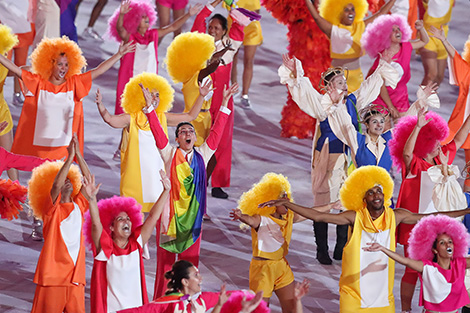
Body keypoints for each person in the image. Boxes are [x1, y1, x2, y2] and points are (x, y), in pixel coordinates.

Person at [259, 165, 470, 313]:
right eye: (371, 193)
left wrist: (467, 210)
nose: (376, 195)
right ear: (363, 198)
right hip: (353, 295)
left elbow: (430, 217)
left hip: (383, 298)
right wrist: (286, 204)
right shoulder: (354, 217)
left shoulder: (396, 216)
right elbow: (319, 216)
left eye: (379, 190)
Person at [278, 53, 398, 264]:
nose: (343, 86)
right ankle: (321, 248)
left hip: (350, 158)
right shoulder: (322, 102)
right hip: (329, 157)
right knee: (324, 201)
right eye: (338, 83)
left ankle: (341, 246)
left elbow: (370, 86)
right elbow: (304, 94)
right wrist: (296, 74)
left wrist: (382, 65)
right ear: (328, 88)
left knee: (348, 201)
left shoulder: (352, 101)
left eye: (344, 82)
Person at [141, 81, 237, 298]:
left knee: (191, 267)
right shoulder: (168, 153)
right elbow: (158, 134)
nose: (187, 132)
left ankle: (188, 304)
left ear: (195, 138)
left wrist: (223, 102)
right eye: (182, 131)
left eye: (190, 131)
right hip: (169, 222)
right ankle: (162, 304)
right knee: (165, 268)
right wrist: (150, 110)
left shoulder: (203, 154)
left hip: (193, 221)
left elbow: (217, 132)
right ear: (177, 139)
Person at [0, 36, 134, 160]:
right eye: (59, 64)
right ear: (51, 64)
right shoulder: (39, 82)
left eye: (66, 64)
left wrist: (119, 54)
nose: (63, 68)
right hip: (40, 148)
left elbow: (98, 70)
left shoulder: (74, 83)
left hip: (64, 149)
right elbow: (17, 70)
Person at [389, 108, 470, 312]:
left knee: (435, 270)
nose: (438, 144)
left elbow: (460, 139)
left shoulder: (441, 158)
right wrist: (417, 126)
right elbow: (406, 152)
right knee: (411, 270)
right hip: (415, 227)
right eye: (432, 140)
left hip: (438, 228)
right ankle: (406, 309)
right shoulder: (415, 164)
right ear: (421, 143)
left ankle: (431, 307)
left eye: (437, 139)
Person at [95, 73, 210, 212]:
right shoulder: (131, 119)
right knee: (135, 219)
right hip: (134, 179)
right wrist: (100, 105)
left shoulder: (162, 117)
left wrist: (201, 96)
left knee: (157, 220)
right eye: (151, 94)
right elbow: (109, 119)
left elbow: (191, 116)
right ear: (140, 96)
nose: (155, 98)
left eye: (157, 95)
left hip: (158, 179)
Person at [83, 169, 171, 313]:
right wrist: (92, 199)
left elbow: (152, 218)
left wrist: (166, 191)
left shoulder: (136, 243)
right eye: (120, 219)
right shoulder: (104, 248)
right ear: (111, 226)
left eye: (128, 219)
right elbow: (95, 224)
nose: (126, 221)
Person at [191, 0, 252, 199]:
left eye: (216, 28)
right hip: (203, 101)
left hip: (224, 100)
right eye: (210, 27)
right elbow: (199, 19)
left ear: (224, 30)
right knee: (200, 140)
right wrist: (214, 3)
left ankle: (218, 184)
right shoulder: (201, 43)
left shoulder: (231, 44)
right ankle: (197, 178)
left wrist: (230, 6)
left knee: (223, 143)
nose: (212, 30)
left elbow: (240, 23)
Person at [27, 135, 92, 313]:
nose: (67, 182)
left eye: (70, 179)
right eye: (64, 180)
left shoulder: (79, 206)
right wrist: (69, 159)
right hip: (52, 278)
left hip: (75, 279)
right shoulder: (51, 211)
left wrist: (78, 154)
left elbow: (89, 181)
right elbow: (55, 185)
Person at [107, 0, 202, 115]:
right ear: (135, 20)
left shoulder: (153, 34)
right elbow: (120, 29)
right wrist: (121, 14)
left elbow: (173, 27)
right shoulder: (129, 37)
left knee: (147, 115)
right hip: (131, 81)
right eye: (142, 16)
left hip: (149, 82)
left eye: (146, 15)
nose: (146, 17)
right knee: (128, 116)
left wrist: (189, 14)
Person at [230, 173, 305, 313]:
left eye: (286, 195)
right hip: (262, 271)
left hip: (282, 266)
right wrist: (241, 217)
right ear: (272, 201)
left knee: (293, 309)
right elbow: (250, 220)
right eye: (282, 197)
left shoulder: (288, 217)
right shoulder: (261, 219)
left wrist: (331, 205)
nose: (286, 199)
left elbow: (312, 213)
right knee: (260, 310)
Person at [364, 215, 470, 312]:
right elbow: (405, 261)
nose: (447, 244)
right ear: (435, 250)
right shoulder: (428, 268)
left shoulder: (460, 264)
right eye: (442, 243)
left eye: (450, 241)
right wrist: (383, 249)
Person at [304, 0, 396, 92]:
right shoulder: (333, 29)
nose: (351, 12)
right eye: (346, 10)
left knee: (355, 105)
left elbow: (381, 13)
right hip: (336, 77)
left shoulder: (360, 27)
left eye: (353, 9)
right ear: (338, 12)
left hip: (355, 77)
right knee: (335, 105)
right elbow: (316, 17)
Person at [118, 260, 268, 313]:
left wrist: (245, 293)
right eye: (196, 275)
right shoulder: (168, 303)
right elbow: (140, 311)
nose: (201, 278)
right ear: (185, 281)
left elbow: (223, 297)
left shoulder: (201, 300)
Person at [361, 14, 429, 119]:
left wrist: (421, 29)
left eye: (398, 29)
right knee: (384, 128)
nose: (397, 31)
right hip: (381, 97)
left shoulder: (406, 46)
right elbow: (380, 85)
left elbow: (424, 41)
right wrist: (390, 107)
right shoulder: (383, 57)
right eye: (393, 30)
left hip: (400, 95)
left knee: (401, 128)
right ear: (385, 35)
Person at [430, 28, 470, 187]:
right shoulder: (468, 73)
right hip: (458, 126)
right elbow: (456, 58)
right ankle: (429, 185)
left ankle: (467, 205)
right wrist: (444, 40)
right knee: (436, 156)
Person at [227, 0, 263, 109]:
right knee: (232, 58)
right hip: (234, 25)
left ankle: (245, 95)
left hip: (252, 29)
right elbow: (229, 9)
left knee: (248, 61)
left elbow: (257, 11)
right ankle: (234, 89)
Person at [0, 24, 19, 181]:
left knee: (10, 158)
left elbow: (12, 71)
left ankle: (18, 194)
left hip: (2, 112)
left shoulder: (3, 55)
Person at [419, 0, 454, 86]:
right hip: (428, 35)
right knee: (431, 75)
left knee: (439, 76)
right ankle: (421, 99)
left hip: (442, 36)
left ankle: (428, 99)